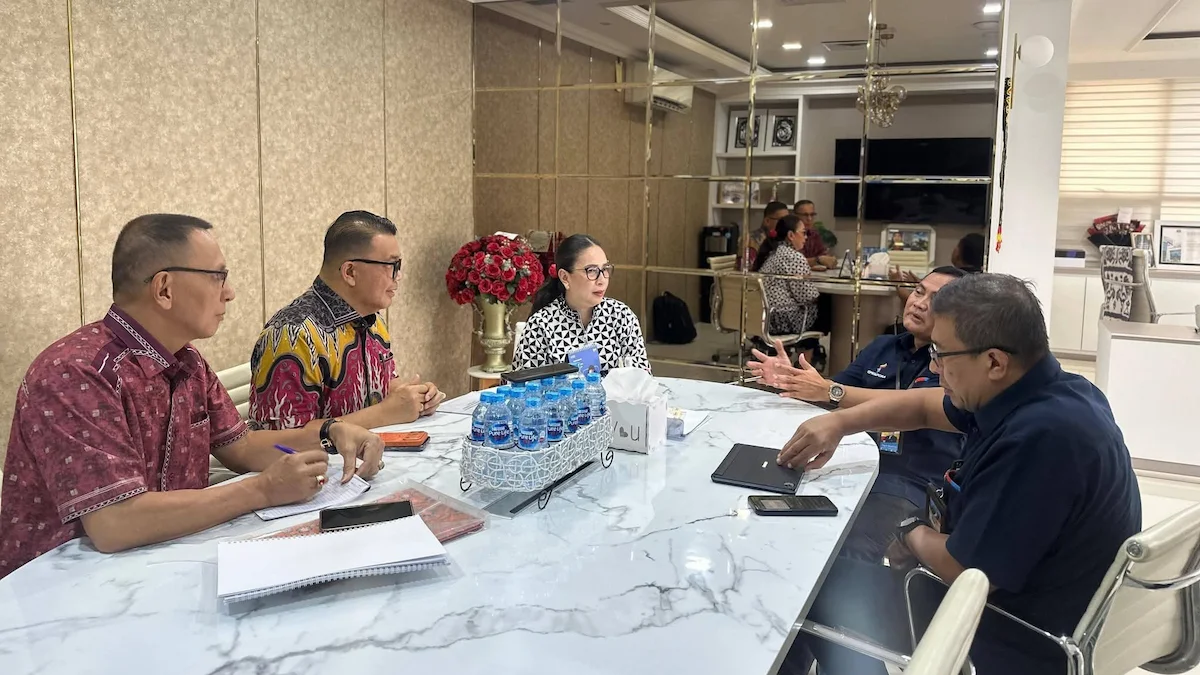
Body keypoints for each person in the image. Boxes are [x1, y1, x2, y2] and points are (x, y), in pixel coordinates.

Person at [778, 273, 1141, 675]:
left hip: (1018, 634)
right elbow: (922, 407)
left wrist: (911, 530)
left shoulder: (1041, 439)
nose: (934, 367)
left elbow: (964, 568)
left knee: (811, 586)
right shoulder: (1055, 393)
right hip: (1042, 605)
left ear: (994, 362)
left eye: (942, 354)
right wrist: (839, 423)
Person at [0, 214, 385, 580]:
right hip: (62, 589)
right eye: (219, 277)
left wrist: (332, 432)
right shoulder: (75, 372)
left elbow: (244, 447)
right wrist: (262, 489)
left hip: (161, 559)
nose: (230, 293)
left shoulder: (186, 361)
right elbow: (115, 523)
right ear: (164, 289)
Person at [748, 266, 967, 562]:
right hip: (846, 462)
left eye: (937, 300)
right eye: (918, 291)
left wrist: (829, 391)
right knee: (770, 514)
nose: (919, 303)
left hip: (904, 482)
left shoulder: (953, 366)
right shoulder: (883, 346)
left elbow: (910, 405)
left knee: (846, 552)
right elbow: (829, 396)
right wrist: (792, 380)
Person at [249, 210, 444, 431]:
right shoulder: (293, 335)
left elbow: (383, 388)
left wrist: (414, 397)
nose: (398, 276)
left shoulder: (373, 321)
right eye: (391, 266)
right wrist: (385, 413)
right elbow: (281, 441)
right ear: (350, 271)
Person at [514, 234, 650, 374]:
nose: (602, 280)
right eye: (591, 271)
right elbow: (522, 388)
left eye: (605, 269)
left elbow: (643, 378)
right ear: (565, 277)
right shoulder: (541, 325)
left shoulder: (621, 316)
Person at [753, 215, 820, 335]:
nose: (805, 238)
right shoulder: (793, 256)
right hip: (783, 318)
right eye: (803, 233)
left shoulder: (776, 252)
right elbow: (806, 296)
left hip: (764, 315)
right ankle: (808, 351)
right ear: (791, 235)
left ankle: (808, 351)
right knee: (826, 306)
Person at [891, 232, 985, 304]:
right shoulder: (981, 280)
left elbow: (918, 306)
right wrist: (921, 283)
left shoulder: (949, 278)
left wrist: (897, 283)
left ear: (957, 254)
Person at [793, 199, 838, 269]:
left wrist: (828, 260)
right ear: (795, 216)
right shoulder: (790, 235)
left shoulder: (814, 234)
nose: (809, 219)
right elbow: (794, 262)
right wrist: (817, 260)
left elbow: (822, 255)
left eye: (812, 214)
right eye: (805, 215)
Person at [747, 201, 790, 271]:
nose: (786, 224)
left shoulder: (782, 239)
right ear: (767, 221)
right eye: (781, 220)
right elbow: (749, 269)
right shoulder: (751, 240)